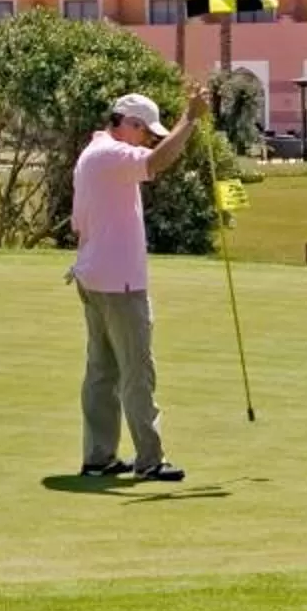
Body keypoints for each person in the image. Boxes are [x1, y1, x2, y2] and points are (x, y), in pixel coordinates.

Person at [70, 85, 207, 481]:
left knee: (103, 370)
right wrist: (191, 118)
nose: (148, 140)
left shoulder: (95, 153)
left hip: (96, 274)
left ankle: (99, 457)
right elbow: (157, 163)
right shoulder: (110, 154)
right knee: (136, 372)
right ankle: (149, 460)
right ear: (128, 124)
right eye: (146, 132)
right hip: (118, 282)